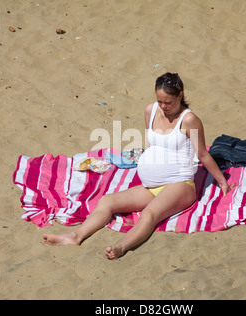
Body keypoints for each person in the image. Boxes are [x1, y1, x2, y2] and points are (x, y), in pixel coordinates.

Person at [43, 73, 231, 259]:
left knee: (149, 213)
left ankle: (121, 247)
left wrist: (223, 182)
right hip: (151, 185)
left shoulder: (189, 120)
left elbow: (202, 153)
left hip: (179, 184)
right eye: (160, 102)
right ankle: (75, 236)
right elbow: (151, 144)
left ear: (180, 95)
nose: (164, 107)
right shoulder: (150, 111)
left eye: (169, 102)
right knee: (107, 201)